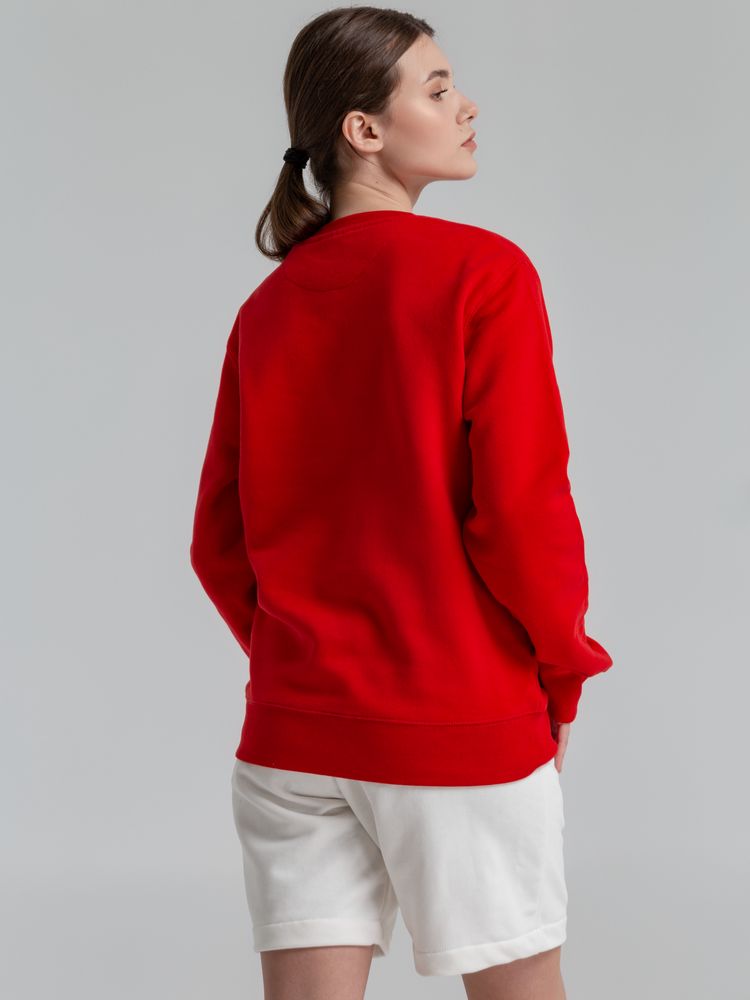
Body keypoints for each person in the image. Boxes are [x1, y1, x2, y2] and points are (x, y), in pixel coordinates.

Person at [189, 6, 613, 998]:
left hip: (296, 732)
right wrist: (560, 669)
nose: (467, 106)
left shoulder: (269, 308)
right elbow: (521, 511)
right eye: (437, 87)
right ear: (363, 129)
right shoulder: (483, 275)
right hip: (458, 719)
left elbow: (219, 541)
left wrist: (310, 661)